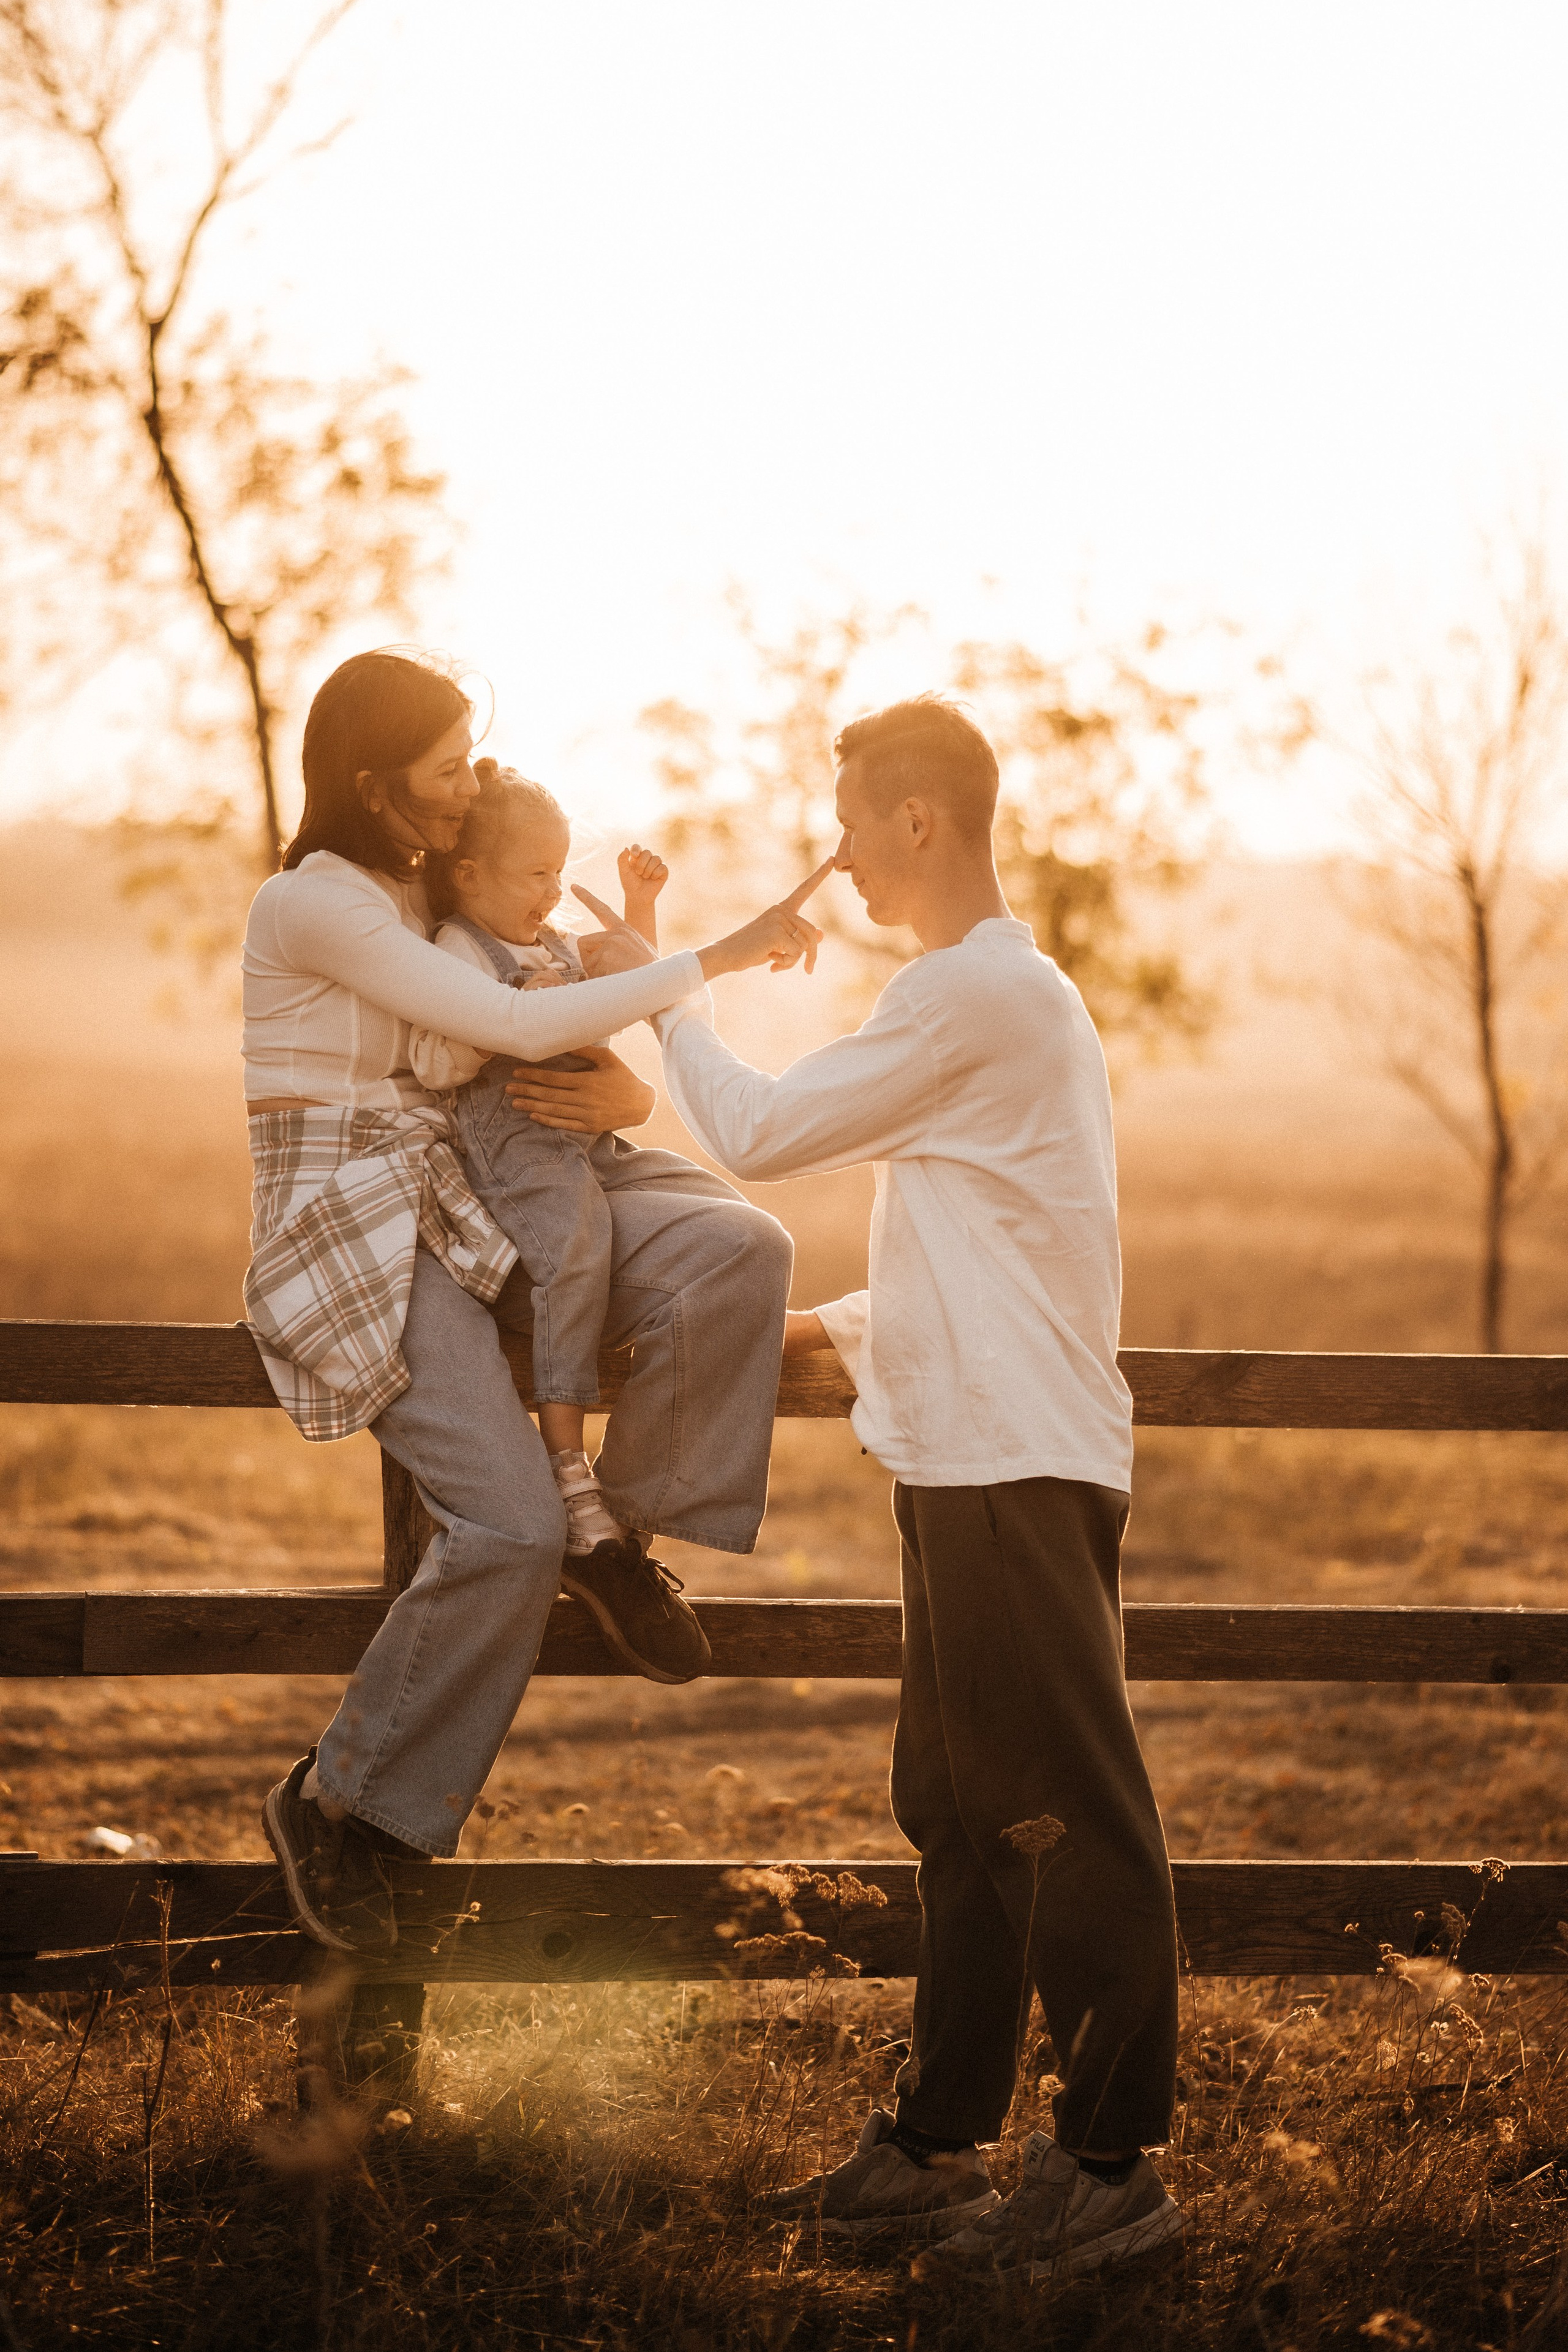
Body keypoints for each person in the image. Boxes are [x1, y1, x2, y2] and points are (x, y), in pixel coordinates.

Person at [513, 692, 1182, 2277]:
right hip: (969, 1443)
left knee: (1070, 1809)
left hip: (1018, 1458)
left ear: (920, 823)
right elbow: (1005, 1243)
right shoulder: (993, 1008)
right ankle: (939, 2150)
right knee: (956, 1803)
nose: (837, 853)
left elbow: (744, 1129)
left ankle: (1111, 2176)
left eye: (850, 821)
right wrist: (833, 1325)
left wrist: (658, 989)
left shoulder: (975, 1000)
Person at [246, 648, 822, 1954]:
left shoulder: (417, 889)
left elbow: (528, 1027)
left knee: (738, 1251)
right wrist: (710, 958)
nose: (464, 792)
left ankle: (615, 1544)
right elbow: (495, 1031)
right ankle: (339, 1807)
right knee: (502, 1529)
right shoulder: (318, 905)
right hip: (358, 1224)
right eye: (444, 770)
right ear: (370, 781)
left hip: (472, 1191)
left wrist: (627, 1093)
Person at [408, 758, 763, 1674]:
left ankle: (623, 1531)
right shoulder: (455, 951)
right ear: (468, 876)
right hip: (520, 1154)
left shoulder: (548, 937)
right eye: (535, 875)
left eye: (561, 872)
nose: (553, 892)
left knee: (744, 1231)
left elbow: (623, 997)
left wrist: (638, 913)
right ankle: (569, 1474)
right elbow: (445, 1058)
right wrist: (502, 1019)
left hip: (592, 1149)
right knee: (577, 1242)